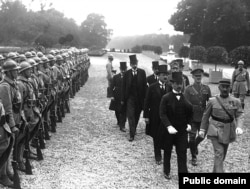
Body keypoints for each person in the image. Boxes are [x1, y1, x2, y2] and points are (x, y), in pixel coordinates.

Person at [199, 78, 244, 173]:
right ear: (219, 87)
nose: (224, 89)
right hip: (214, 129)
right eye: (223, 87)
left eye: (227, 87)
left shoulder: (236, 101)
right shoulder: (212, 101)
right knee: (219, 152)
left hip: (228, 129)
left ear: (230, 88)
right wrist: (202, 129)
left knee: (222, 154)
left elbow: (239, 114)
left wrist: (239, 126)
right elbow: (205, 116)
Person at [159, 71, 193, 179]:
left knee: (182, 152)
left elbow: (190, 113)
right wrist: (168, 126)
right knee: (168, 151)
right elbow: (162, 114)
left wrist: (189, 124)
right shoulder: (166, 98)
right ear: (172, 84)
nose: (179, 86)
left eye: (181, 83)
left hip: (182, 131)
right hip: (169, 131)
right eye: (177, 83)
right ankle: (166, 171)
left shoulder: (185, 98)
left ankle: (183, 173)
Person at [184, 64, 212, 166]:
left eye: (200, 76)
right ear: (193, 77)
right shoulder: (188, 89)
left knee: (202, 135)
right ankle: (193, 157)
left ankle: (193, 146)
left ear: (202, 76)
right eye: (196, 76)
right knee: (191, 137)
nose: (198, 78)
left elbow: (210, 102)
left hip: (203, 117)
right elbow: (185, 104)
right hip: (192, 117)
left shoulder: (206, 88)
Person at [144, 65, 171, 165]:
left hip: (166, 116)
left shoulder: (169, 87)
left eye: (166, 75)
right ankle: (158, 155)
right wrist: (146, 116)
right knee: (156, 135)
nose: (165, 77)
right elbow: (147, 102)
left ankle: (164, 150)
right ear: (158, 75)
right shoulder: (152, 87)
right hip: (154, 115)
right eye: (163, 75)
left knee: (166, 135)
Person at [0, 60, 21, 188]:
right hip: (5, 122)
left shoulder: (12, 84)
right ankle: (2, 175)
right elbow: (7, 109)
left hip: (11, 119)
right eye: (15, 70)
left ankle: (6, 172)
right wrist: (12, 126)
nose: (17, 72)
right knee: (5, 147)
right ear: (9, 72)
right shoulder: (4, 86)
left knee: (9, 147)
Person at [121, 54, 147, 142]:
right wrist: (123, 99)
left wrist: (145, 99)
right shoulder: (127, 74)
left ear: (137, 63)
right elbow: (123, 87)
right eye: (132, 63)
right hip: (130, 98)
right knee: (131, 116)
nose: (134, 65)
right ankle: (131, 135)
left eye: (135, 62)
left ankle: (133, 129)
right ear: (130, 64)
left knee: (136, 115)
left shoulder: (142, 72)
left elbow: (144, 87)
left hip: (139, 99)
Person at [110, 62, 127, 132]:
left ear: (126, 69)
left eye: (124, 69)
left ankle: (122, 125)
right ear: (120, 69)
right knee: (117, 109)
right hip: (117, 94)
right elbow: (111, 87)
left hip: (125, 95)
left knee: (124, 110)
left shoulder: (128, 77)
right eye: (122, 69)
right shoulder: (116, 77)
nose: (123, 71)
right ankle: (119, 121)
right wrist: (112, 95)